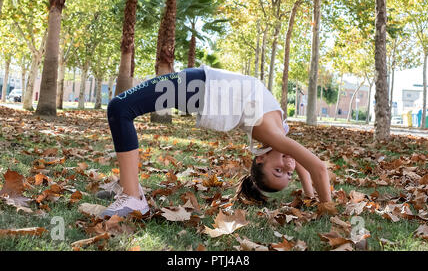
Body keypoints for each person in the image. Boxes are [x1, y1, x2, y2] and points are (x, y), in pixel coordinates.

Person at [99, 65, 331, 218]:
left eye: (280, 171)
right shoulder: (276, 137)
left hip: (200, 89)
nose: (289, 167)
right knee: (120, 108)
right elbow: (314, 167)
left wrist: (311, 194)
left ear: (260, 159)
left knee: (120, 108)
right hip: (203, 85)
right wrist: (326, 209)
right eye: (284, 172)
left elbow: (302, 164)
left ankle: (131, 193)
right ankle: (130, 191)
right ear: (261, 158)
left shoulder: (274, 137)